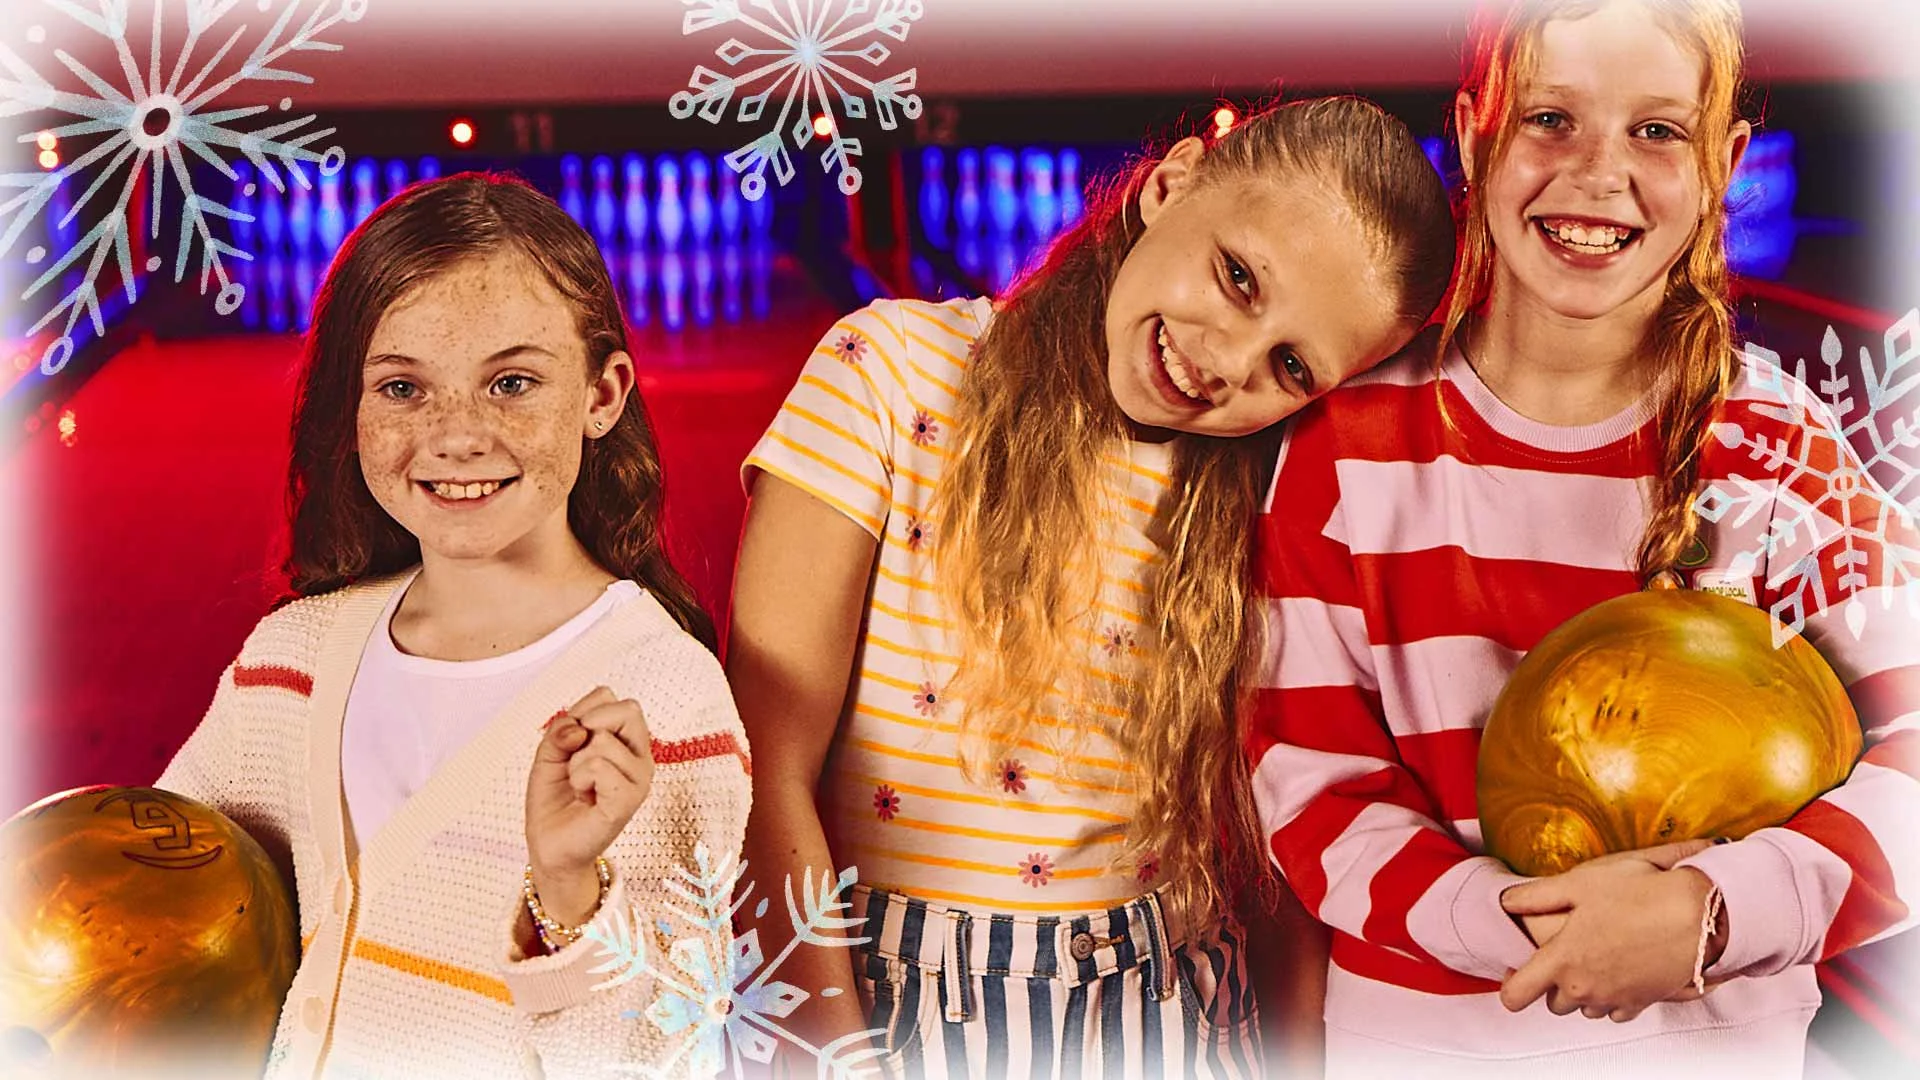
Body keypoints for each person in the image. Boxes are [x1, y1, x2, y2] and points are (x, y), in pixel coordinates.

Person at [1248, 2, 1919, 1077]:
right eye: (1549, 118)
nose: (1599, 175)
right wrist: (1522, 928)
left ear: (1724, 163)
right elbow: (1312, 783)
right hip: (1420, 1047)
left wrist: (1713, 913)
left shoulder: (1773, 442)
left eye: (1656, 130)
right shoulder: (1342, 444)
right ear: (1473, 132)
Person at [727, 96, 1456, 1077]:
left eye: (1290, 365)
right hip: (890, 1016)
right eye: (1238, 277)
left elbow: (1277, 856)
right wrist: (824, 1059)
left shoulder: (1268, 493)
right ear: (1173, 183)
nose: (1225, 362)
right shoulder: (889, 377)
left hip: (1181, 1017)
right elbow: (763, 772)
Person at [158, 173, 751, 1080]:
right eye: (403, 388)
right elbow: (152, 921)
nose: (457, 435)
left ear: (602, 395)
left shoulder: (664, 700)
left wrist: (567, 892)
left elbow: (656, 1061)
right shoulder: (286, 667)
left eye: (511, 383)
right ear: (352, 410)